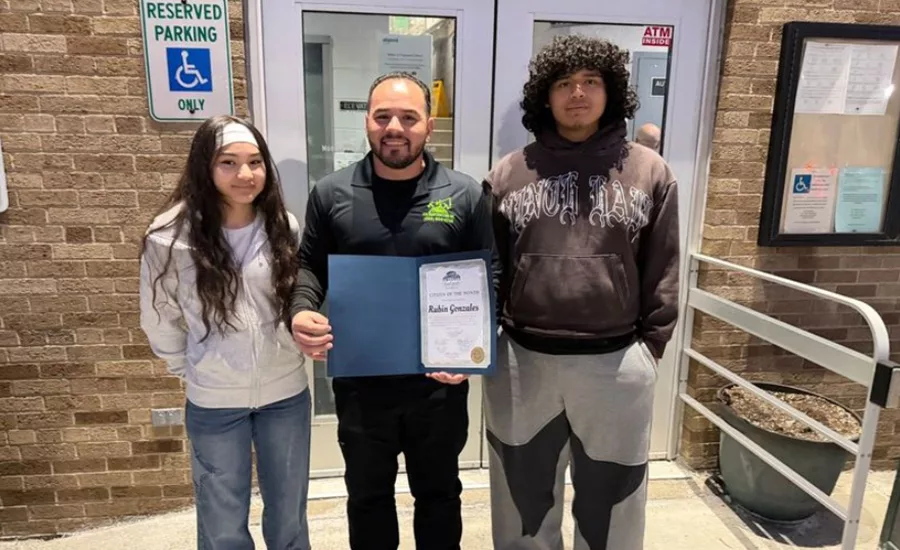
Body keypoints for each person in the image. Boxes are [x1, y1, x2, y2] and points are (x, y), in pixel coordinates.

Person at [483, 35, 680, 550]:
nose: (577, 93)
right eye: (564, 83)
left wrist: (651, 348)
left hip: (615, 365)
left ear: (610, 91)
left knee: (613, 510)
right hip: (524, 363)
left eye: (591, 82)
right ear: (544, 97)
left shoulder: (649, 171)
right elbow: (491, 268)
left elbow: (665, 264)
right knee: (521, 507)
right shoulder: (507, 173)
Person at [288, 71, 496, 550]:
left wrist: (469, 353)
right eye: (383, 116)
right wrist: (301, 311)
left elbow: (492, 276)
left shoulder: (464, 194)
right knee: (367, 498)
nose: (394, 127)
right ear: (367, 122)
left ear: (428, 125)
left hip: (439, 385)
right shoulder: (331, 193)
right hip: (362, 384)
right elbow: (308, 268)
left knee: (440, 495)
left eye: (408, 117)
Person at [139, 115, 311, 550]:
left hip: (285, 393)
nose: (245, 175)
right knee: (221, 522)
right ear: (205, 167)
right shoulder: (168, 238)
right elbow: (160, 319)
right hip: (214, 401)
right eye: (228, 163)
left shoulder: (283, 227)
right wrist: (196, 369)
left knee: (289, 514)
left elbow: (294, 300)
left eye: (255, 162)